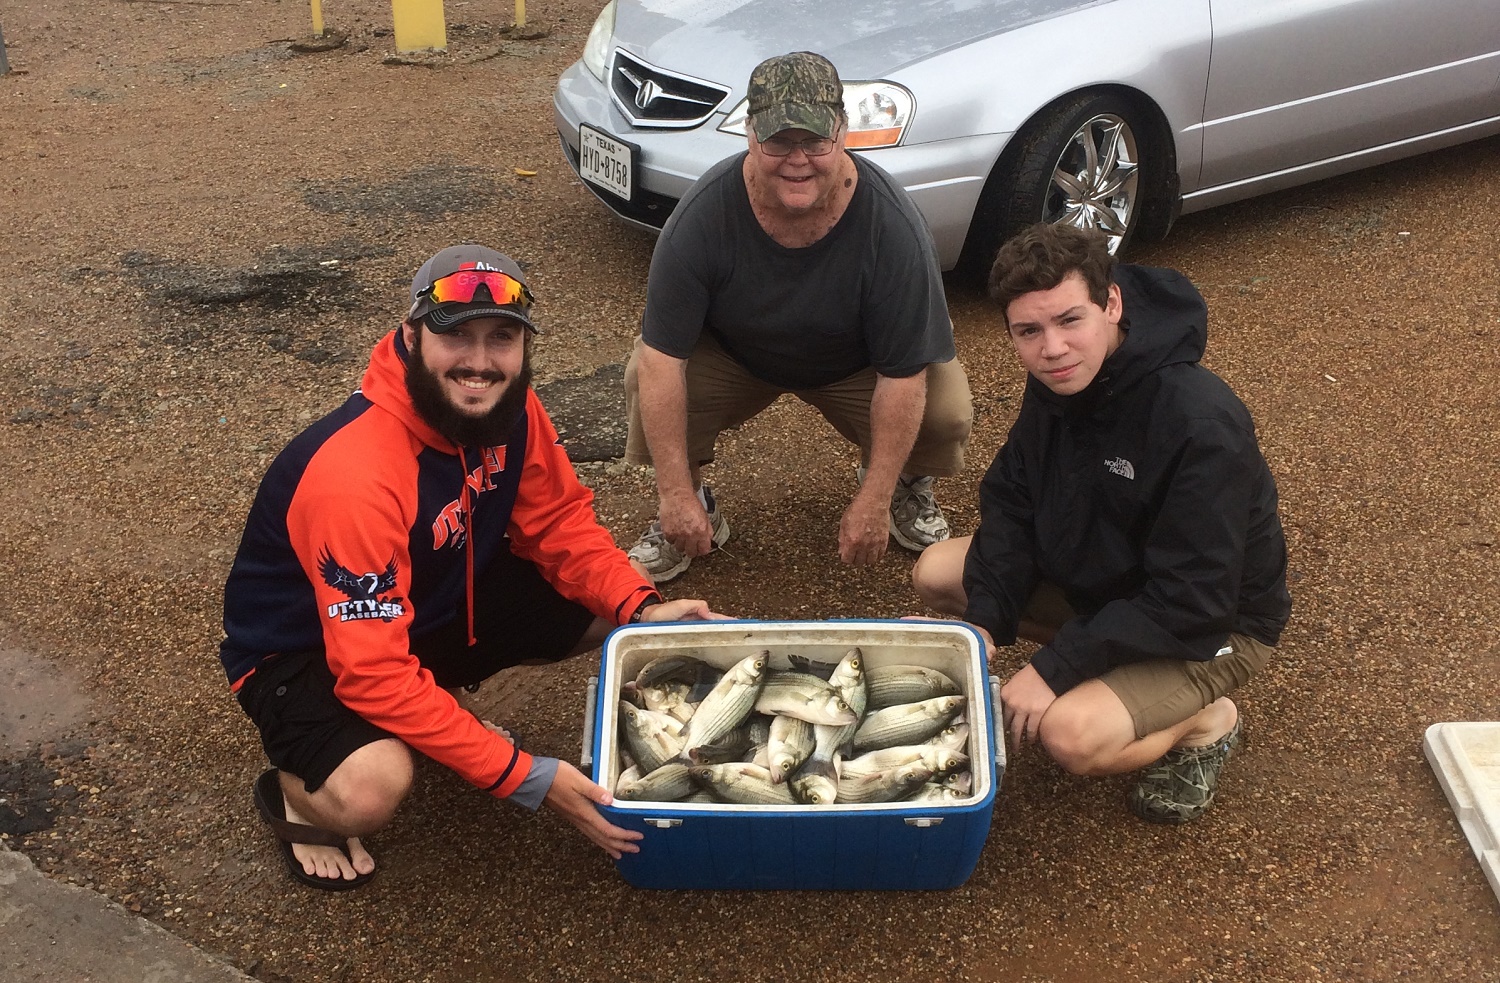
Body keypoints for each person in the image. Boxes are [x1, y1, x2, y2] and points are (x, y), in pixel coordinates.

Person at [219, 244, 722, 890]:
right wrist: (527, 776)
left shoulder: (509, 406)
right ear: (410, 337)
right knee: (374, 785)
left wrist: (644, 609)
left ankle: (432, 693)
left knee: (616, 609)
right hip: (301, 649)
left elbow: (559, 523)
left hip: (424, 600)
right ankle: (298, 788)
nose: (480, 362)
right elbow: (370, 671)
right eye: (457, 336)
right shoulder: (356, 475)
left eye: (502, 338)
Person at [912, 222, 1291, 823]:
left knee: (1071, 735)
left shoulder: (1199, 420)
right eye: (1027, 331)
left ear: (1111, 303)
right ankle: (1117, 668)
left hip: (1219, 624)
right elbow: (1012, 500)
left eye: (1069, 320)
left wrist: (1054, 668)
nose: (1051, 349)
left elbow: (1195, 598)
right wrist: (985, 622)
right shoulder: (1060, 382)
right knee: (940, 572)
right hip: (1116, 582)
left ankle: (1207, 721)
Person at [623, 50, 973, 583]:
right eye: (778, 142)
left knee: (943, 407)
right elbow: (662, 359)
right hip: (740, 357)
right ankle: (692, 504)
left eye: (814, 141)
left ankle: (902, 487)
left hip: (855, 364)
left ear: (843, 133)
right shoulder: (702, 216)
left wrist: (872, 499)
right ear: (748, 135)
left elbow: (903, 374)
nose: (797, 159)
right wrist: (671, 493)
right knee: (642, 377)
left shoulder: (892, 226)